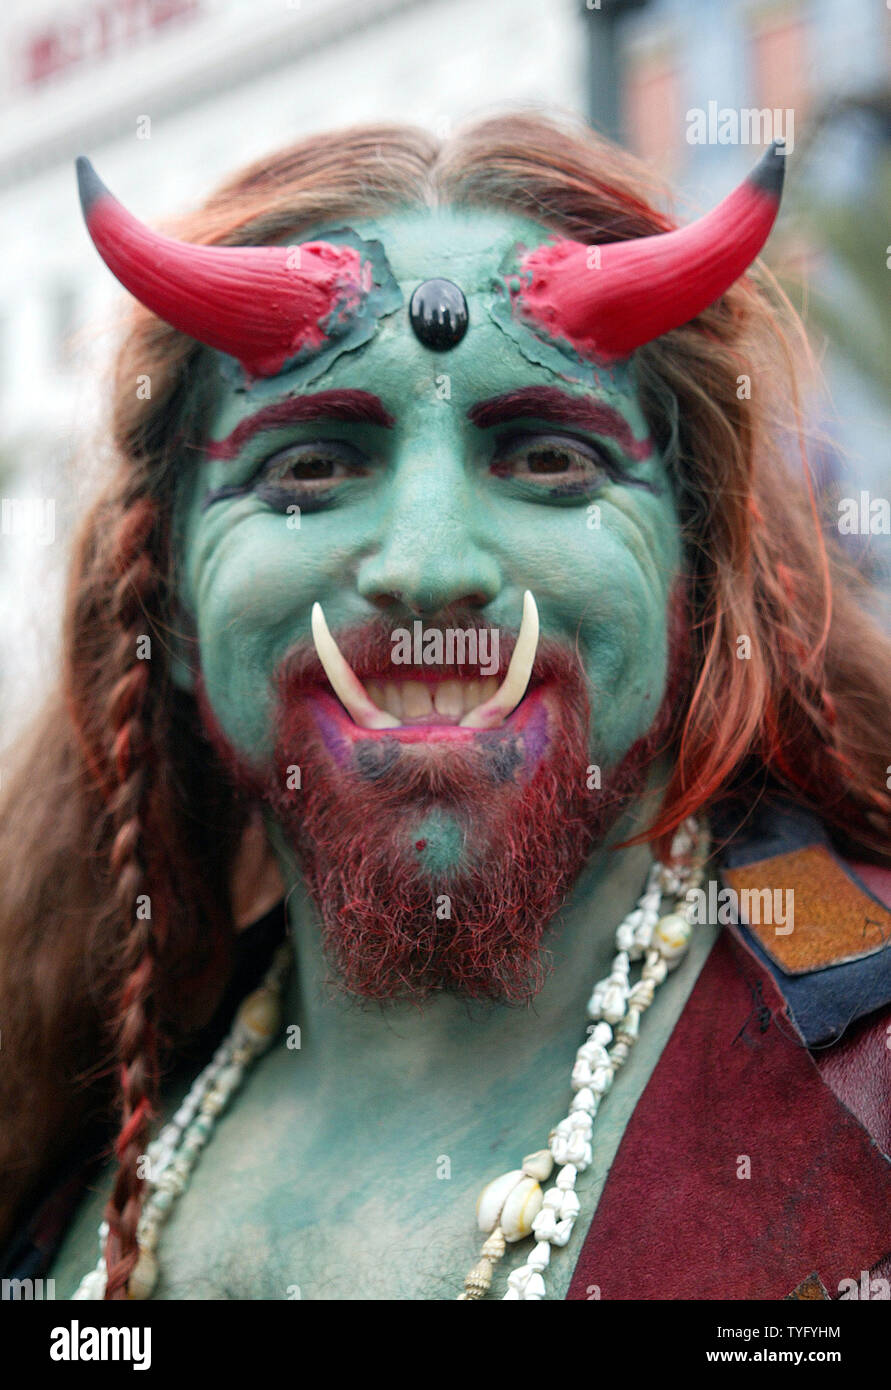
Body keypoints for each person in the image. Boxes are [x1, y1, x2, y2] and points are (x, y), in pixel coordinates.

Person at [1, 113, 889, 1302]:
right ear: (167, 609)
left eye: (547, 459)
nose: (427, 565)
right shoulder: (44, 1134)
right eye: (309, 466)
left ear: (692, 577)